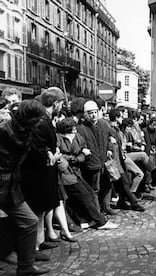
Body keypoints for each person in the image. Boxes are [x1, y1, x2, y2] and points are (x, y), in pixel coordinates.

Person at [0, 100, 49, 275]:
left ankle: (26, 267)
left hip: (10, 186)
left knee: (29, 221)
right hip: (4, 183)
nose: (40, 121)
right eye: (38, 118)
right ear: (31, 118)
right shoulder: (5, 129)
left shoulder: (24, 130)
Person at [21, 88, 65, 258]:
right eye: (61, 103)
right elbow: (37, 148)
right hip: (38, 174)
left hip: (44, 172)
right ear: (55, 103)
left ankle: (40, 241)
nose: (61, 107)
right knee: (37, 209)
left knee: (42, 209)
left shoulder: (45, 119)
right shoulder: (42, 120)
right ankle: (35, 247)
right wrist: (52, 155)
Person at [56, 118, 119, 230]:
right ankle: (100, 221)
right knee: (83, 195)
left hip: (76, 171)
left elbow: (84, 149)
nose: (75, 131)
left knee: (87, 193)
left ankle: (84, 220)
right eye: (73, 129)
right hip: (66, 173)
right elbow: (60, 156)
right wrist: (75, 158)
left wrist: (79, 157)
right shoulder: (59, 139)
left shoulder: (76, 137)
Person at [76, 100, 116, 215]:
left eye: (95, 112)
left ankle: (106, 206)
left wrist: (109, 148)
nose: (94, 115)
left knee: (107, 184)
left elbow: (110, 137)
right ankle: (97, 213)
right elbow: (81, 144)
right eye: (90, 113)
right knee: (95, 189)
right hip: (92, 162)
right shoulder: (81, 128)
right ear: (86, 114)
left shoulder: (103, 124)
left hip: (104, 160)